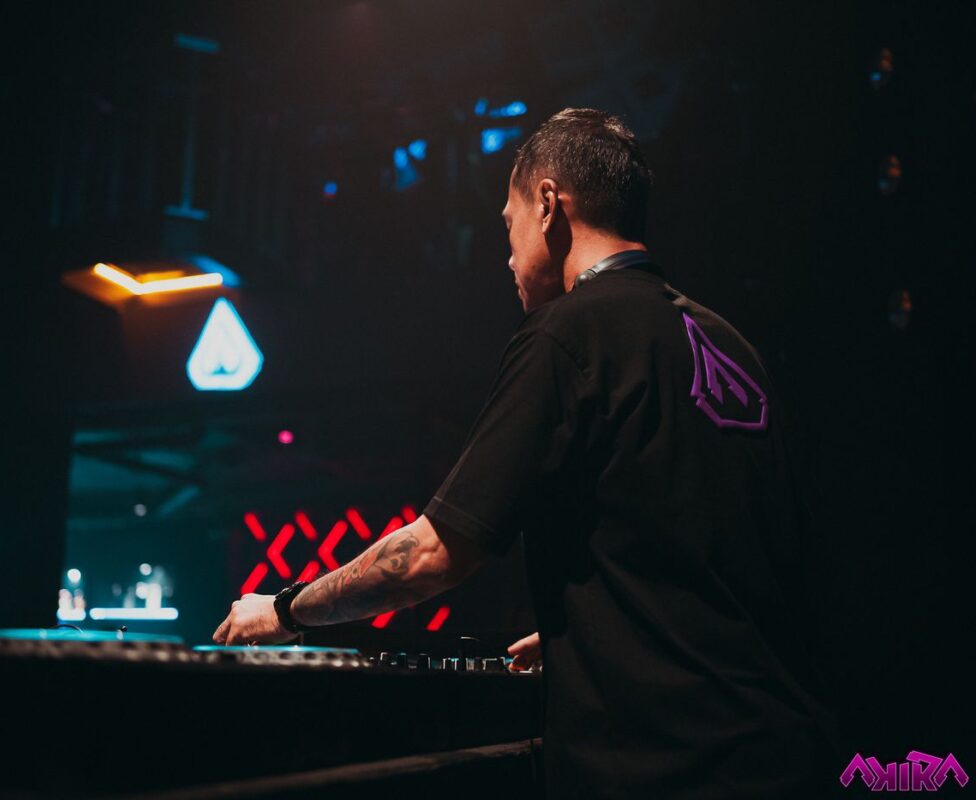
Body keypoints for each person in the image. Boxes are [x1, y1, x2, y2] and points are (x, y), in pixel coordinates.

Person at [214, 108, 838, 798]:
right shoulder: (731, 347)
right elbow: (726, 563)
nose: (508, 258)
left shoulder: (567, 333)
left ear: (547, 204)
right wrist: (593, 633)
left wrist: (285, 609)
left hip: (665, 768)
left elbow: (432, 555)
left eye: (507, 227)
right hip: (787, 754)